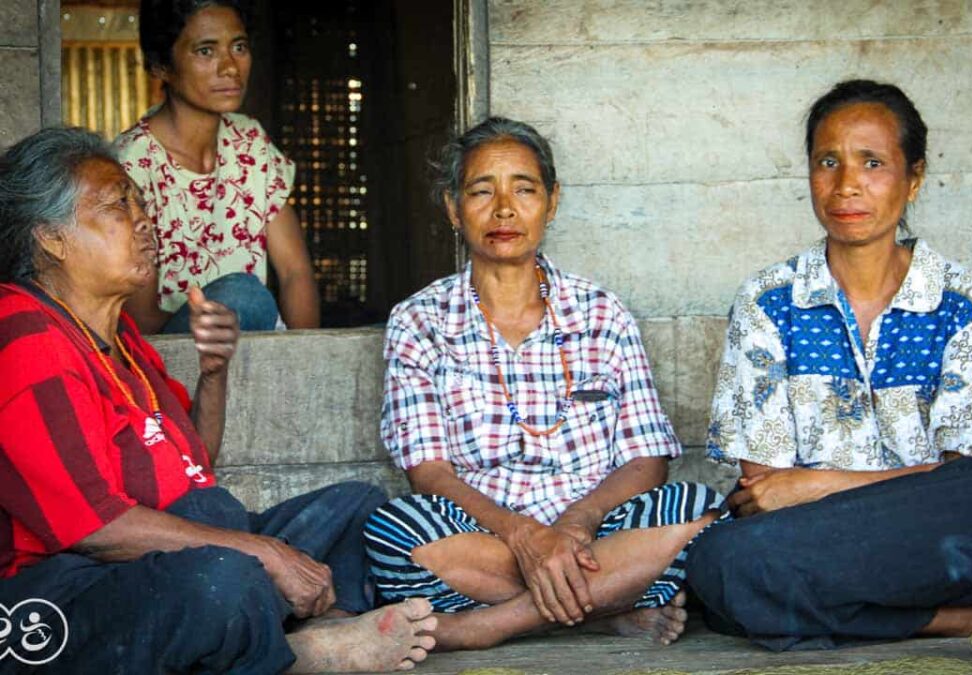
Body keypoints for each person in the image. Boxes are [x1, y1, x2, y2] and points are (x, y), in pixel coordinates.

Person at [0, 127, 435, 673]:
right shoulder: (25, 335)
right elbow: (94, 529)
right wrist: (263, 552)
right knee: (221, 580)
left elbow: (193, 467)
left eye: (139, 200)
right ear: (51, 239)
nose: (142, 218)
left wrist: (214, 374)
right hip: (67, 586)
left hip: (170, 548)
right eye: (117, 204)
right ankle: (294, 655)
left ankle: (322, 625)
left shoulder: (123, 339)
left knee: (355, 507)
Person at [686, 79, 972, 650]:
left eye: (873, 162)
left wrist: (818, 484)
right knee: (724, 562)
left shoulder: (961, 300)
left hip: (944, 533)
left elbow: (968, 479)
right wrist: (811, 499)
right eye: (828, 162)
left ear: (913, 177)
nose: (847, 185)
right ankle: (955, 618)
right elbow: (764, 490)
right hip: (827, 543)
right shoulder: (769, 300)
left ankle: (865, 612)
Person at [363, 117, 727, 651]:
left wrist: (576, 526)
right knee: (392, 532)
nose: (504, 208)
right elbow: (429, 472)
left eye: (524, 189)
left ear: (551, 202)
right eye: (482, 191)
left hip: (595, 532)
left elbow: (647, 460)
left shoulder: (602, 313)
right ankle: (606, 610)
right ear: (452, 208)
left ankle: (486, 628)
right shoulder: (419, 321)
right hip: (486, 536)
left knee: (707, 514)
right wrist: (524, 536)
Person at [114, 0, 319, 334]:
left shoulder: (250, 142)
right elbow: (141, 321)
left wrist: (305, 361)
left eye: (238, 47)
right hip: (174, 357)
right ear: (160, 66)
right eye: (205, 51)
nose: (230, 68)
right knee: (244, 296)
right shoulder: (131, 165)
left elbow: (296, 272)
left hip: (252, 347)